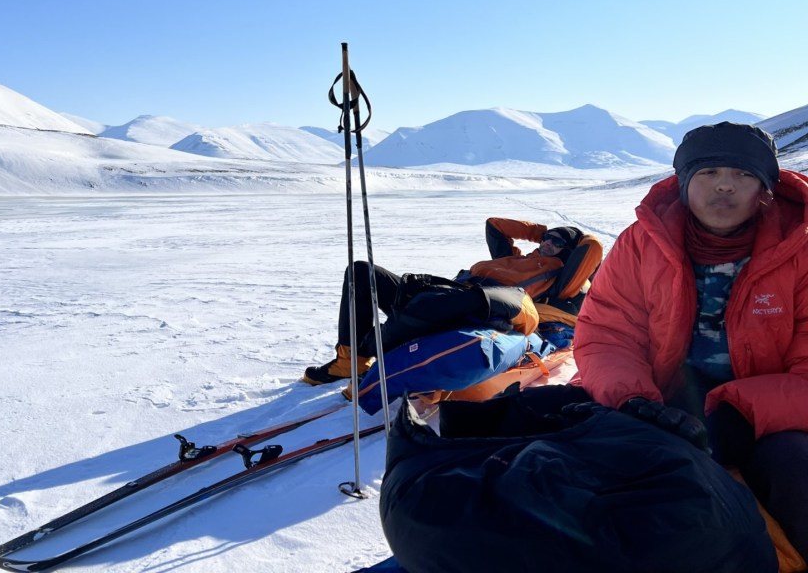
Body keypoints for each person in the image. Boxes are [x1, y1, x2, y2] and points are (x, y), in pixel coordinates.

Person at [573, 121, 808, 559]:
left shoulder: (802, 250)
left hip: (765, 419)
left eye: (742, 174)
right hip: (658, 405)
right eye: (708, 173)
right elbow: (606, 335)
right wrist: (632, 401)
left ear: (766, 188)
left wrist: (741, 413)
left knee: (797, 470)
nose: (725, 187)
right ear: (683, 183)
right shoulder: (641, 245)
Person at [303, 216, 603, 385]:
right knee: (361, 272)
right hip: (450, 292)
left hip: (487, 304)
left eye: (557, 242)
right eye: (547, 238)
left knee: (426, 307)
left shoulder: (563, 280)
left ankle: (376, 350)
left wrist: (574, 240)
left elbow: (592, 247)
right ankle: (349, 360)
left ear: (569, 251)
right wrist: (539, 233)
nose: (549, 243)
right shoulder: (512, 259)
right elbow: (494, 225)